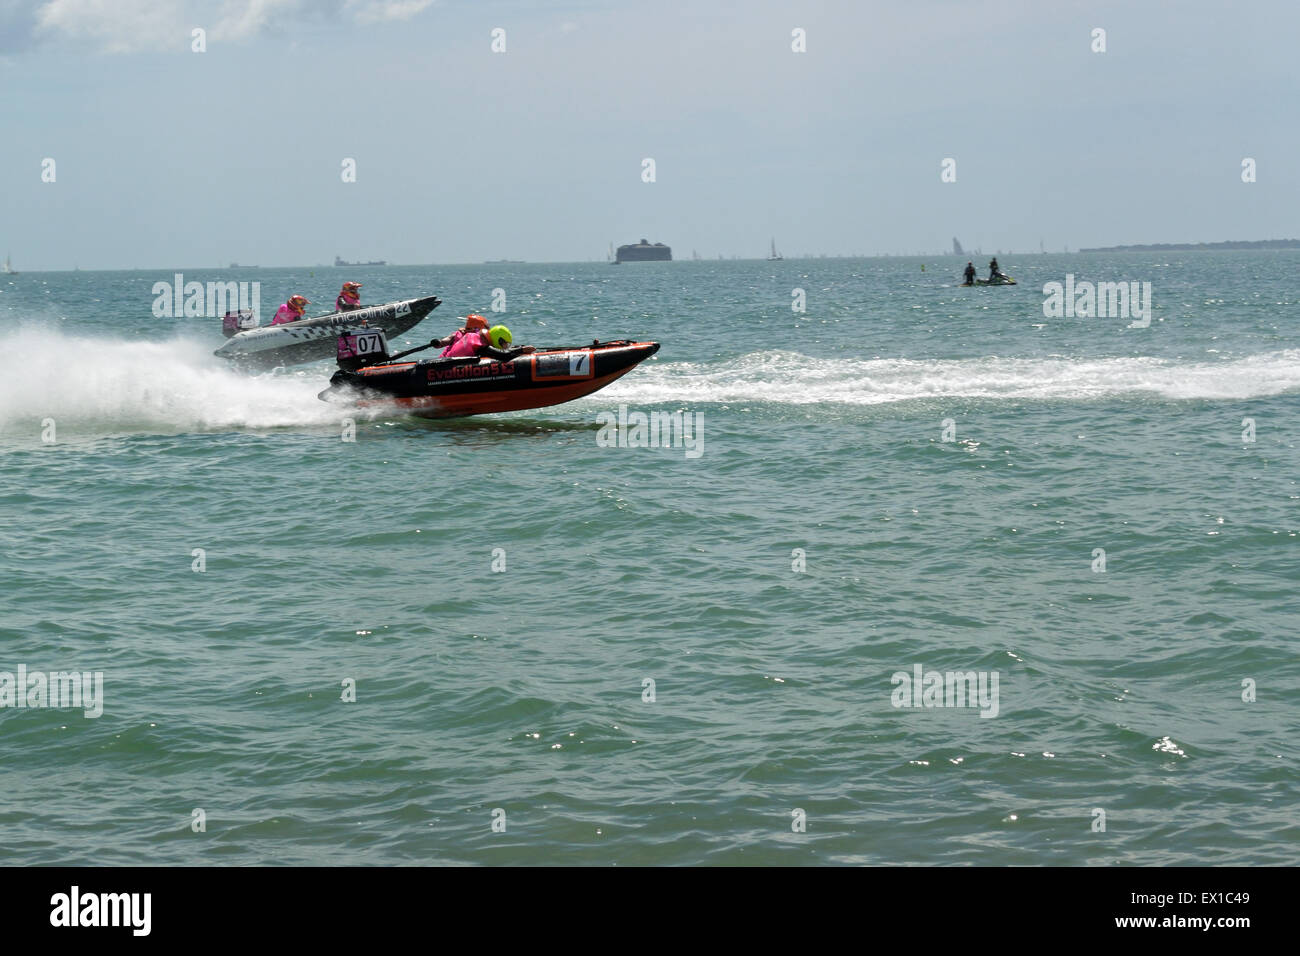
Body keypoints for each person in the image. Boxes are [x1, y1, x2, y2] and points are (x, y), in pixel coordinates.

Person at [437, 320, 535, 360]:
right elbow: (504, 355)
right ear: (498, 340)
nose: (505, 347)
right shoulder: (481, 345)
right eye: (505, 344)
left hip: (442, 361)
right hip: (444, 368)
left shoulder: (473, 336)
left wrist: (517, 347)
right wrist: (522, 350)